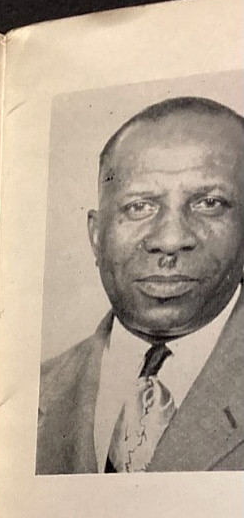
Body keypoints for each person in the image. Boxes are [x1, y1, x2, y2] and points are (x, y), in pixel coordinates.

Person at [37, 96, 244, 474]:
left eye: (208, 203)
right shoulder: (36, 394)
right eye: (139, 206)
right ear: (96, 235)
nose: (169, 239)